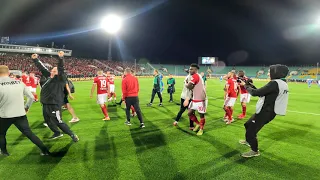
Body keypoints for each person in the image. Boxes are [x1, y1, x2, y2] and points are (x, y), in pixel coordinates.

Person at [239, 64, 289, 158]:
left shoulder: (274, 83)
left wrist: (246, 86)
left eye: (270, 71)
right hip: (267, 111)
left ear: (276, 72)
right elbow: (262, 92)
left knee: (251, 132)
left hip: (265, 112)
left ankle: (254, 151)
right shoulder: (282, 83)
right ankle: (249, 141)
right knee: (247, 124)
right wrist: (250, 85)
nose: (268, 73)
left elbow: (255, 93)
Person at [0, 65, 50, 156]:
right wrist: (26, 107)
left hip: (4, 115)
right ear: (8, 73)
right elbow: (31, 97)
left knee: (1, 134)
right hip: (20, 114)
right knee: (29, 133)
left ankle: (4, 152)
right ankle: (44, 150)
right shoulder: (19, 83)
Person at [32, 52, 79, 142]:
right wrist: (35, 59)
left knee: (58, 121)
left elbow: (61, 68)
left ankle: (72, 134)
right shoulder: (50, 77)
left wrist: (61, 58)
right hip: (45, 104)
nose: (52, 72)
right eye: (52, 71)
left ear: (59, 73)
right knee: (48, 120)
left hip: (54, 104)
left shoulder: (60, 79)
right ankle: (57, 132)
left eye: (54, 71)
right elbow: (43, 69)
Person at [186, 64, 207, 136]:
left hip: (201, 99)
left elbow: (189, 86)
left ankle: (201, 129)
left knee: (201, 115)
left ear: (195, 70)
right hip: (195, 98)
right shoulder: (197, 76)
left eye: (191, 69)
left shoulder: (195, 76)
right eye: (189, 69)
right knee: (189, 113)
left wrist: (186, 84)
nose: (190, 70)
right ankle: (198, 124)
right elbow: (192, 87)